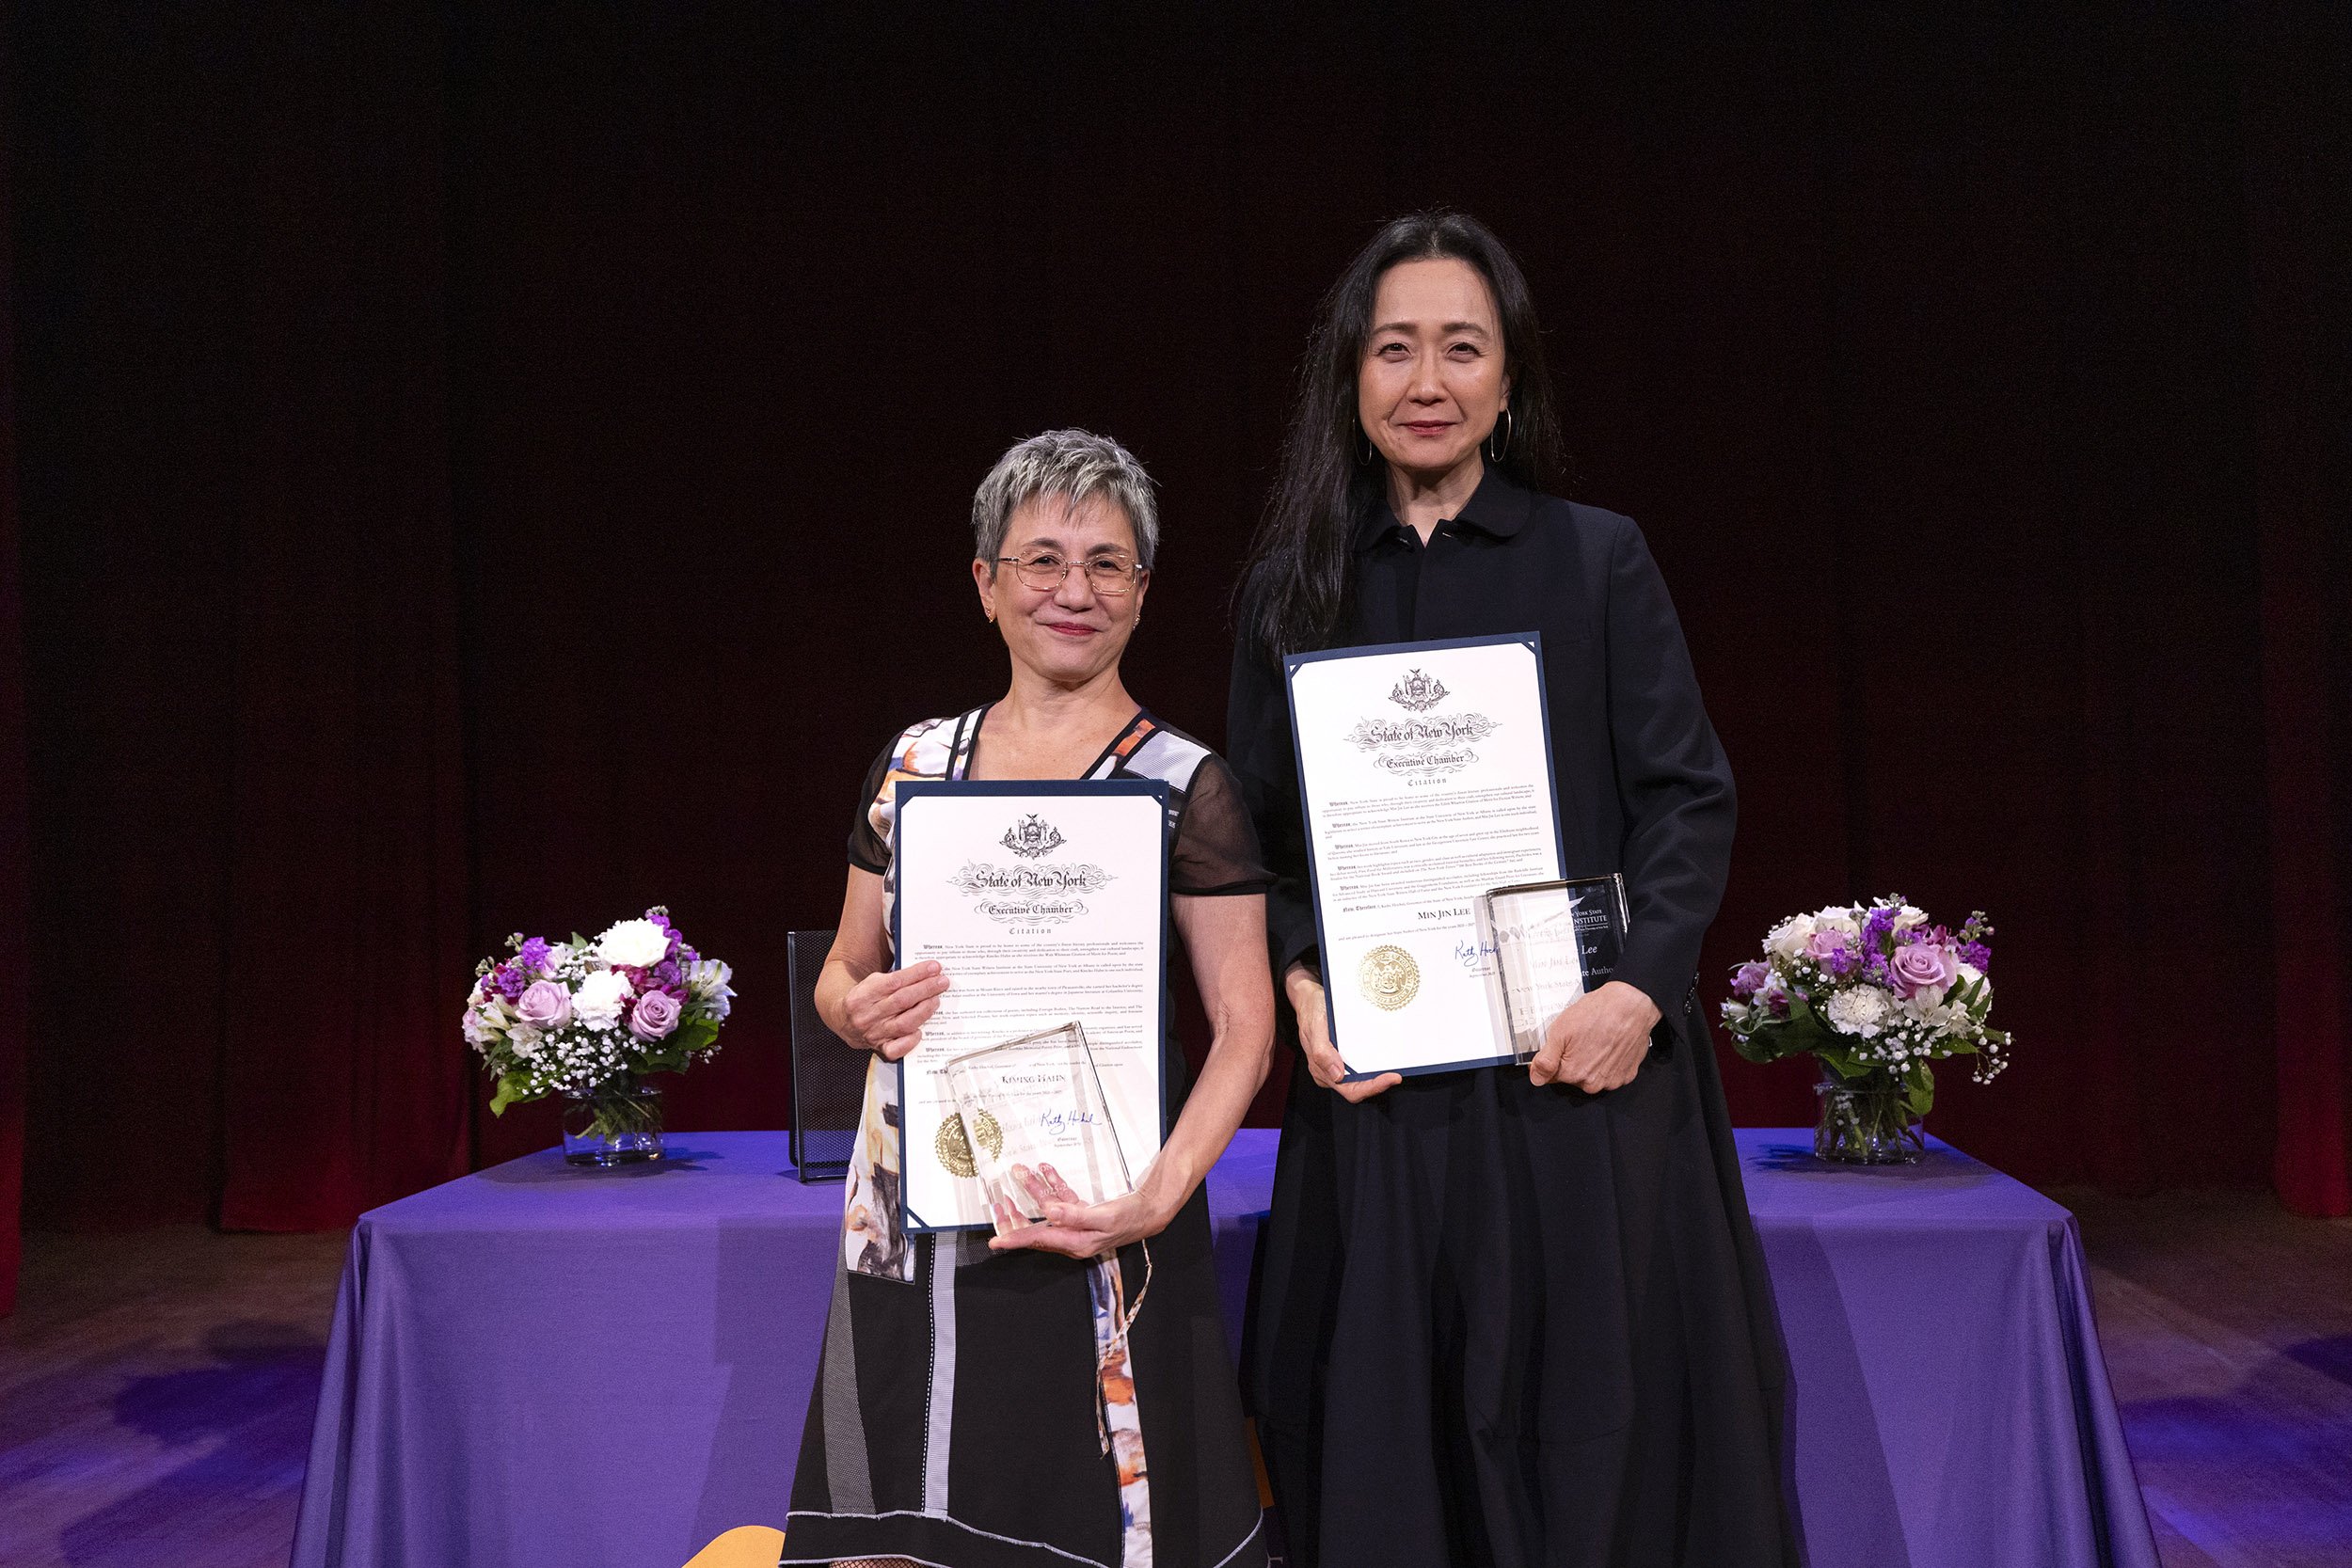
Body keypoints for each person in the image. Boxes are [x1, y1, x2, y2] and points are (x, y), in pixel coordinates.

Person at [1227, 212, 1796, 1567]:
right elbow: (1252, 838)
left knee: (1592, 1432)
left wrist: (1639, 990)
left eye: (1462, 349)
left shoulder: (1599, 558)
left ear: (1510, 378)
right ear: (1350, 382)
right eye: (1396, 349)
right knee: (1381, 1431)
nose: (1428, 381)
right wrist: (1303, 978)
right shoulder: (1290, 591)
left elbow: (1687, 794)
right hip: (1386, 1090)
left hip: (1573, 1076)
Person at [785, 430, 1275, 1568]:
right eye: (1042, 558)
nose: (1074, 589)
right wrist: (855, 1010)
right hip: (916, 1209)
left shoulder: (1183, 784)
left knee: (1094, 1515)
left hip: (1103, 1207)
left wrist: (1157, 1196)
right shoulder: (913, 762)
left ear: (1144, 593)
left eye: (1108, 563)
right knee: (902, 1512)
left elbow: (1245, 1030)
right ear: (985, 583)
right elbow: (839, 973)